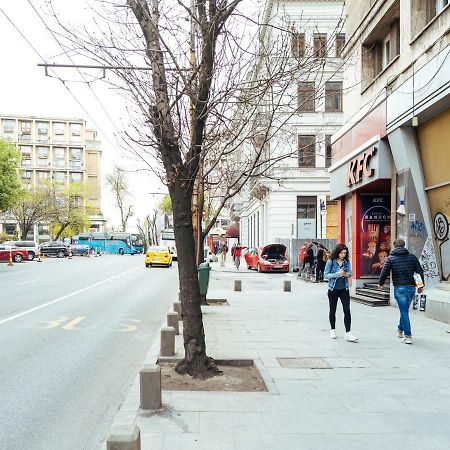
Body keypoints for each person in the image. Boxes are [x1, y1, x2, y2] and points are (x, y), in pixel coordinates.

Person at [378, 238, 424, 344]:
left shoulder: (390, 258)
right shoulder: (412, 257)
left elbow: (384, 272)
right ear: (404, 246)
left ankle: (408, 336)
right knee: (405, 311)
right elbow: (419, 271)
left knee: (404, 312)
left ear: (394, 246)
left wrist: (380, 283)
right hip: (411, 288)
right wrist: (421, 286)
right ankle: (400, 330)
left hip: (400, 288)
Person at [324, 244, 358, 342]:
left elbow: (350, 273)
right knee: (332, 309)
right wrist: (337, 274)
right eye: (341, 253)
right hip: (333, 289)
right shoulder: (331, 261)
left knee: (347, 310)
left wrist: (346, 274)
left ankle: (348, 333)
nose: (343, 255)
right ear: (337, 252)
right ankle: (332, 330)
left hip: (344, 289)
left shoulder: (346, 262)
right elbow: (326, 275)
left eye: (345, 253)